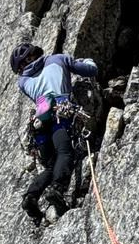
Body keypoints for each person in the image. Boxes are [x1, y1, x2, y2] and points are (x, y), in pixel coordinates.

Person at [10, 43, 98, 220]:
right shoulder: (58, 59)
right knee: (65, 152)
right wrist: (88, 61)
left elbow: (41, 97)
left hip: (40, 124)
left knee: (51, 165)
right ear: (32, 55)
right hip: (60, 113)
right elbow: (90, 70)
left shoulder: (23, 82)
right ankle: (57, 189)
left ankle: (31, 197)